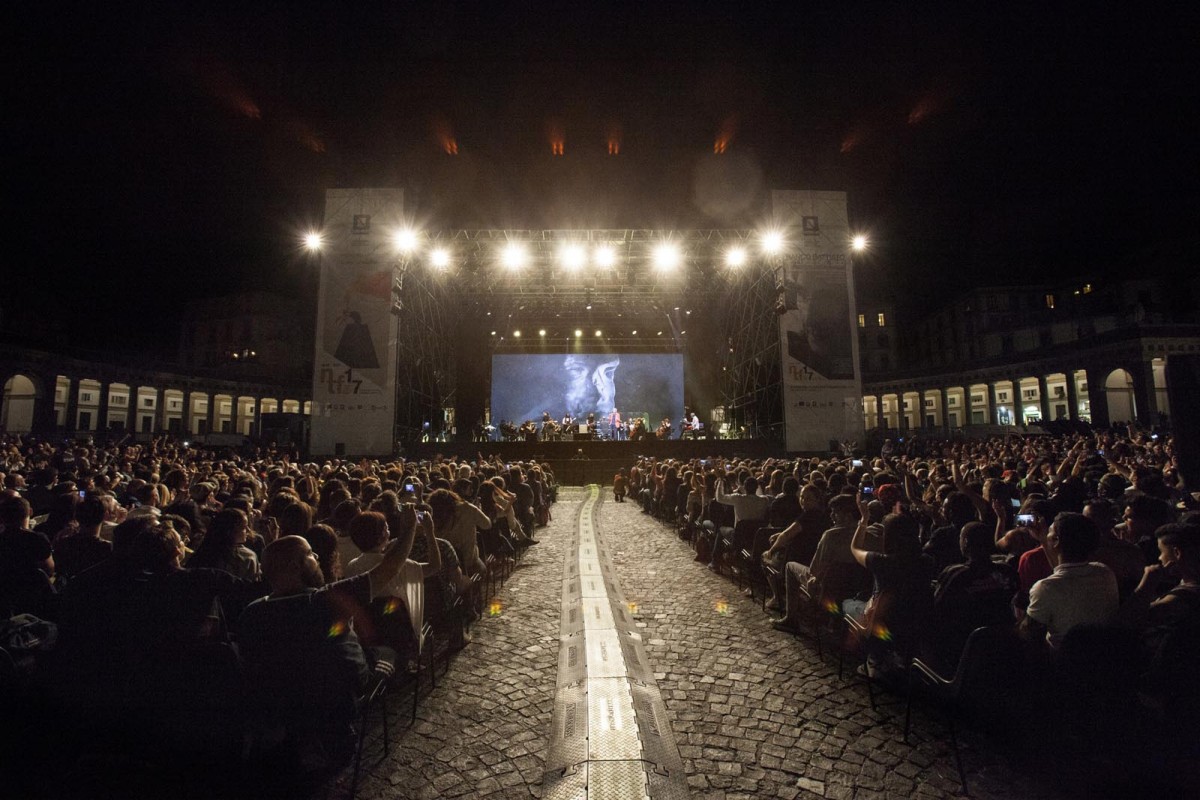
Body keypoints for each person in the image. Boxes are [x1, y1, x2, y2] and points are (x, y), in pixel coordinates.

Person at [237, 530, 412, 771]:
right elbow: (389, 567)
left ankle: (304, 735)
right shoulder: (323, 601)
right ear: (296, 565)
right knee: (388, 652)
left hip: (283, 702)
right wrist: (410, 526)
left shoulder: (250, 613)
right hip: (336, 699)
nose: (317, 556)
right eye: (310, 553)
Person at [1022, 512, 1119, 648]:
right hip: (1104, 653)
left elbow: (1029, 635)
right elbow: (1065, 572)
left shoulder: (1046, 587)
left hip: (1064, 661)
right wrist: (1045, 540)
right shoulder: (1104, 572)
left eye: (1049, 532)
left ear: (1056, 540)